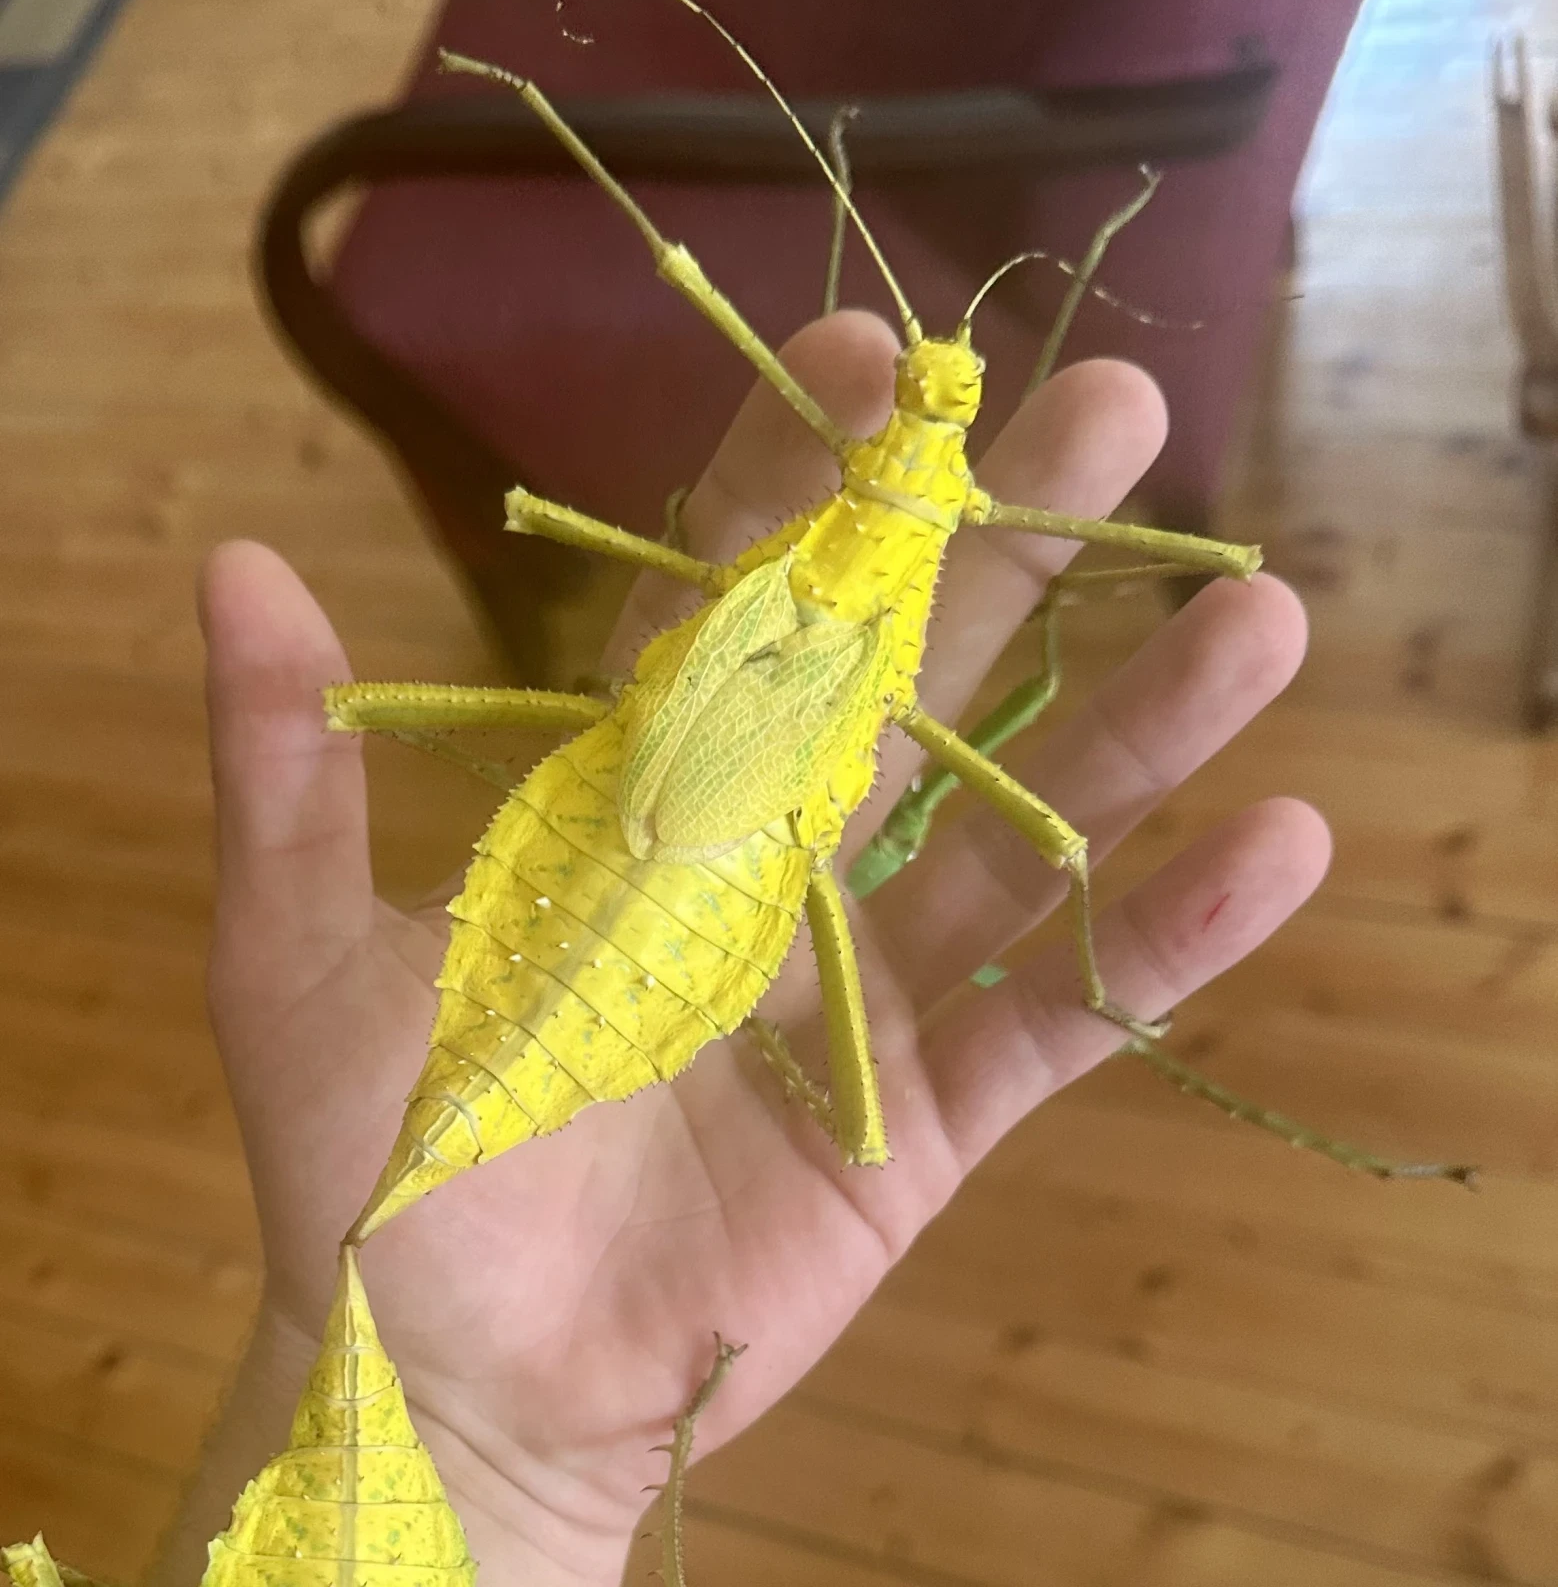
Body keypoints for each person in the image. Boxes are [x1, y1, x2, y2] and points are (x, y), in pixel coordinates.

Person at [149, 311, 1324, 1586]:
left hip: (659, 838)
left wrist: (474, 1436)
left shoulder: (803, 537)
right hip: (705, 865)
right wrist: (465, 1432)